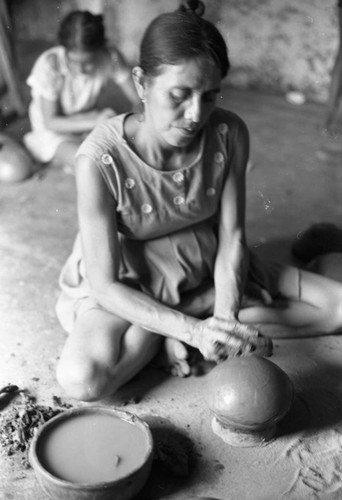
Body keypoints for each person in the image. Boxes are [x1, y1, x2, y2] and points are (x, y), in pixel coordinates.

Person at [55, 0, 342, 402]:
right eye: (179, 94)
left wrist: (224, 320)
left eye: (209, 96)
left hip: (209, 266)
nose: (195, 114)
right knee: (83, 380)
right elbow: (104, 285)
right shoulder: (99, 160)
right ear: (141, 83)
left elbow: (232, 236)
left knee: (338, 310)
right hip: (130, 277)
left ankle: (180, 324)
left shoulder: (228, 134)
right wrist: (193, 331)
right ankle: (172, 328)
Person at [23, 10, 139, 169]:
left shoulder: (110, 56)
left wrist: (139, 118)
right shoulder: (50, 65)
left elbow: (138, 98)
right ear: (64, 49)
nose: (80, 70)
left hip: (89, 120)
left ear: (101, 48)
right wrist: (97, 120)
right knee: (92, 165)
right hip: (54, 131)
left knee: (126, 154)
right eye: (73, 61)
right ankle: (59, 155)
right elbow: (51, 122)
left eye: (88, 62)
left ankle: (66, 157)